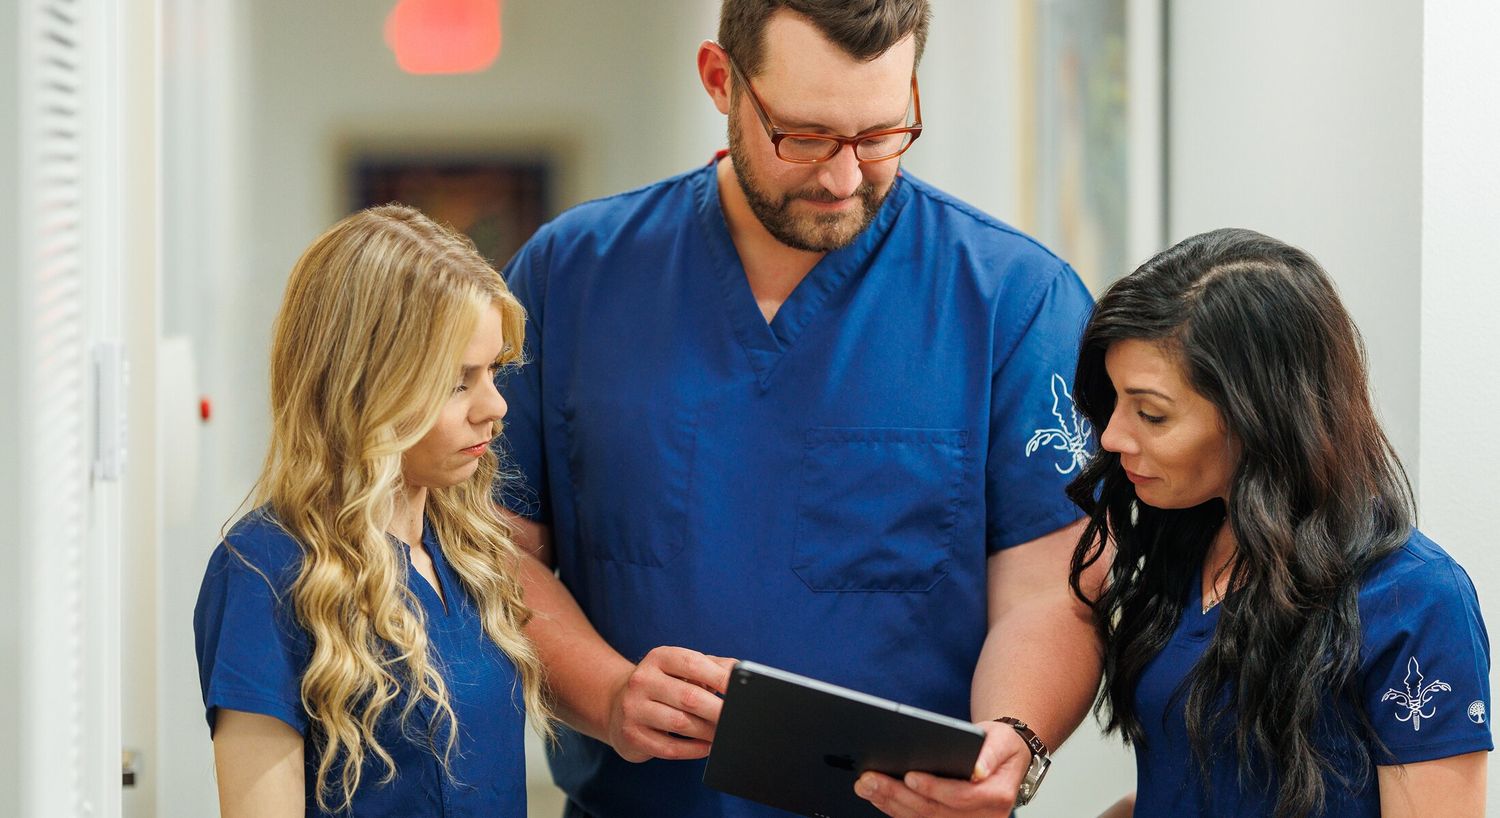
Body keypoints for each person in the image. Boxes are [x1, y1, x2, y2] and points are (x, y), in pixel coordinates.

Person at [496, 1, 1101, 815]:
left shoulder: (1014, 301)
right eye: (806, 137)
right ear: (721, 80)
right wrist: (606, 694)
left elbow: (1051, 588)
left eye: (881, 135)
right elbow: (496, 552)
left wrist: (1015, 738)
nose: (844, 177)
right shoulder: (571, 278)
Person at [1068, 228, 1491, 817]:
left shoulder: (1414, 600)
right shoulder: (1184, 547)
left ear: (1260, 415)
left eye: (1151, 414)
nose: (1112, 437)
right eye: (1113, 403)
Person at [193, 205, 552, 817]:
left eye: (494, 370)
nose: (495, 407)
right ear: (368, 385)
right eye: (457, 381)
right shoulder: (264, 569)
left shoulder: (469, 552)